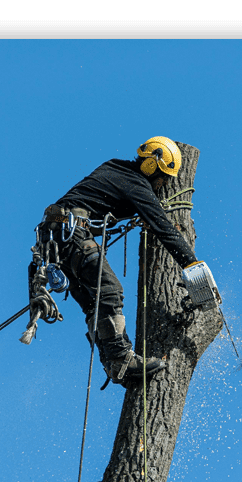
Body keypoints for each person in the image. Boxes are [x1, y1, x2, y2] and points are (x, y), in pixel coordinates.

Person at [36, 136, 204, 387]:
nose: (162, 184)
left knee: (96, 304)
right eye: (163, 178)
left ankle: (113, 363)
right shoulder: (136, 183)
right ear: (151, 167)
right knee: (110, 290)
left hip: (55, 240)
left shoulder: (116, 168)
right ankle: (121, 358)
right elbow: (165, 229)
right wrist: (194, 267)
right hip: (71, 233)